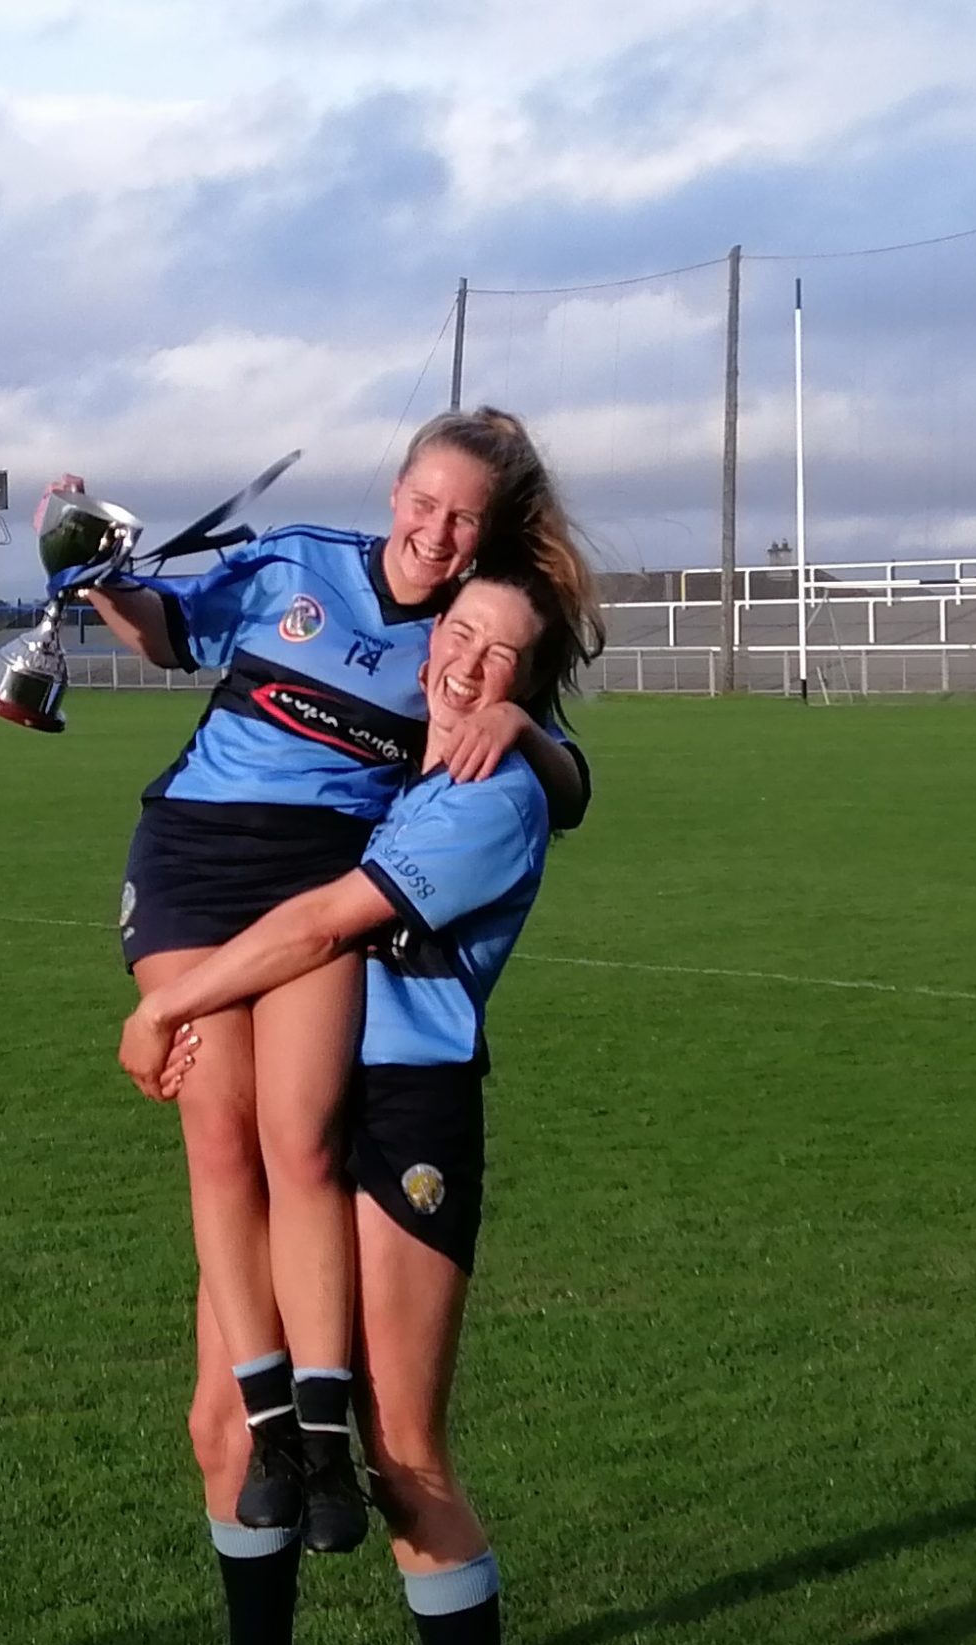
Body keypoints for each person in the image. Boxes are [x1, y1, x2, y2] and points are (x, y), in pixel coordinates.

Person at [114, 566, 596, 1645]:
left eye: (501, 659)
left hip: (402, 1115)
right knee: (222, 1424)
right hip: (295, 1109)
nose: (467, 667)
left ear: (528, 688)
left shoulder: (492, 795)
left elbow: (325, 921)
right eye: (458, 638)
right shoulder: (389, 762)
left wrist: (166, 1005)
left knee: (401, 1452)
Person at [55, 412, 593, 1562]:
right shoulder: (297, 561)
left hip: (316, 887)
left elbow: (573, 789)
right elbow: (166, 636)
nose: (435, 532)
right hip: (198, 861)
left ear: (488, 532)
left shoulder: (466, 630)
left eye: (463, 519)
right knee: (220, 1125)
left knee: (298, 1140)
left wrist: (516, 721)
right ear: (394, 491)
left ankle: (320, 1437)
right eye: (423, 503)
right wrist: (98, 576)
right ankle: (271, 1432)